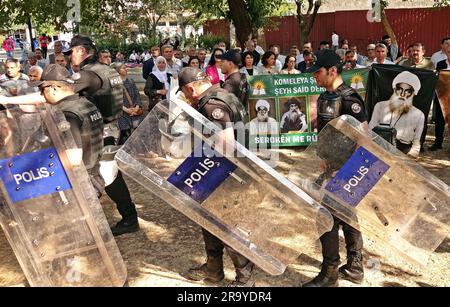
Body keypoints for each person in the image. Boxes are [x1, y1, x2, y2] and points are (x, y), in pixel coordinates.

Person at [178, 67, 253, 287]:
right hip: (225, 171)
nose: (186, 97)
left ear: (191, 87)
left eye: (184, 92)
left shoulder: (211, 105)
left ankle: (245, 280)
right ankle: (214, 269)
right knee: (208, 222)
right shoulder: (224, 93)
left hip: (223, 174)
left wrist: (205, 172)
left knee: (229, 227)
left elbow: (225, 145)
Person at [62, 35, 139, 236]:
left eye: (71, 53)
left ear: (81, 51)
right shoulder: (107, 69)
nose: (70, 58)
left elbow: (59, 92)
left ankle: (125, 220)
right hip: (110, 127)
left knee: (102, 174)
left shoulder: (88, 74)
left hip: (100, 129)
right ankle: (128, 218)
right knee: (110, 174)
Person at [304, 49, 368, 287]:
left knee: (325, 218)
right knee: (347, 216)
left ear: (332, 70)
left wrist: (350, 175)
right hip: (330, 165)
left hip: (346, 170)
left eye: (317, 71)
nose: (314, 76)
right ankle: (354, 268)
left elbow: (364, 140)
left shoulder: (350, 100)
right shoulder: (324, 97)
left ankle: (330, 273)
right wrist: (322, 156)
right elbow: (325, 133)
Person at [369, 71, 424, 157]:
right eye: (399, 89)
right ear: (394, 89)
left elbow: (416, 142)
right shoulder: (380, 106)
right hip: (380, 146)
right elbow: (370, 129)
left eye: (408, 91)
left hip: (403, 151)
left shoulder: (419, 115)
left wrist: (412, 155)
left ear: (413, 93)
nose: (402, 94)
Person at [111, 62, 144, 145]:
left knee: (139, 132)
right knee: (124, 135)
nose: (126, 69)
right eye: (123, 68)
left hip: (134, 111)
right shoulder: (113, 84)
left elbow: (137, 94)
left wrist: (137, 106)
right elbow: (113, 100)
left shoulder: (130, 81)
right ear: (117, 70)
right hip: (122, 113)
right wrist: (126, 110)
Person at [429, 43, 450, 151]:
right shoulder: (441, 64)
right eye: (449, 52)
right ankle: (438, 143)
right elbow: (437, 79)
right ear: (446, 52)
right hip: (442, 97)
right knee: (439, 120)